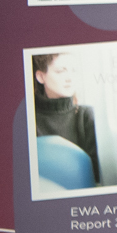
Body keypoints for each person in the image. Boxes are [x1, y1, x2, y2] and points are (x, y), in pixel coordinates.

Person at [30, 53, 100, 186]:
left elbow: (96, 176)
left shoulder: (86, 116)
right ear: (40, 76)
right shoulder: (29, 119)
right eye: (61, 71)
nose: (69, 78)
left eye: (73, 71)